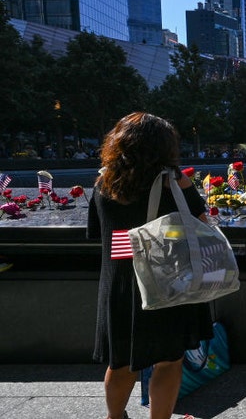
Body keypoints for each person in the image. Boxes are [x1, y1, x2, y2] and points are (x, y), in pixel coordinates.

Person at [87, 112, 213, 419]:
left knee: (121, 361)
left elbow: (97, 232)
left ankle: (115, 417)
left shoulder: (104, 182)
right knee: (168, 361)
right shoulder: (174, 182)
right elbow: (202, 226)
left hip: (120, 285)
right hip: (167, 280)